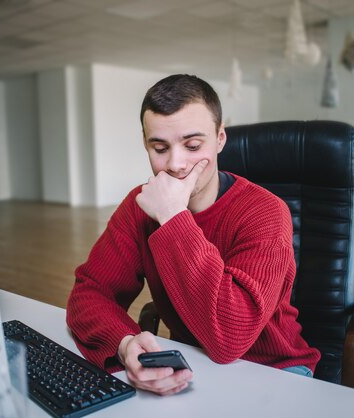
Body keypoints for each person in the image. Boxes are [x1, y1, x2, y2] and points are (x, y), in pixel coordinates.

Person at [66, 74, 320, 396]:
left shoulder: (266, 212)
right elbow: (90, 293)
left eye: (193, 145)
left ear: (220, 139)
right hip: (193, 363)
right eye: (159, 147)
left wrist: (172, 216)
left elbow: (229, 339)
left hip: (276, 369)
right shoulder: (138, 207)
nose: (175, 164)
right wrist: (125, 343)